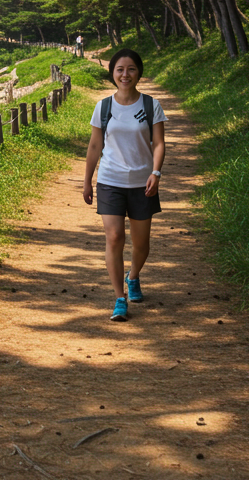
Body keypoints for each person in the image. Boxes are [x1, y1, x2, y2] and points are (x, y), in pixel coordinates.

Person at [82, 48, 166, 321]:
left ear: (138, 72)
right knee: (115, 237)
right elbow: (95, 146)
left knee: (142, 245)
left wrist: (156, 172)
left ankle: (133, 276)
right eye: (119, 69)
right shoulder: (103, 107)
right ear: (112, 74)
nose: (125, 74)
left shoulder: (151, 105)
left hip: (143, 182)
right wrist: (87, 181)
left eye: (130, 69)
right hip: (110, 180)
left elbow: (159, 143)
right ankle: (119, 298)